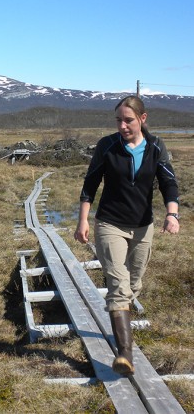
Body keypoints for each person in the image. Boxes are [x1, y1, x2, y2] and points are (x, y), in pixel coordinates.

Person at [74, 95, 180, 375]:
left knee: (133, 285)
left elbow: (169, 182)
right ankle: (125, 354)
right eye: (118, 120)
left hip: (143, 226)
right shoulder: (107, 146)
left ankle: (121, 331)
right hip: (110, 224)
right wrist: (83, 221)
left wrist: (172, 214)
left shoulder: (156, 146)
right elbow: (90, 184)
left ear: (143, 119)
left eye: (128, 120)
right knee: (119, 285)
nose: (122, 125)